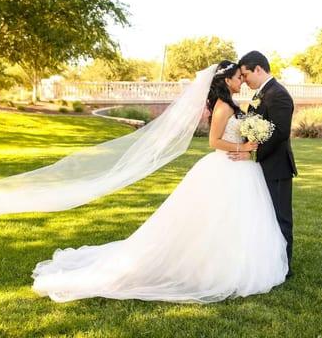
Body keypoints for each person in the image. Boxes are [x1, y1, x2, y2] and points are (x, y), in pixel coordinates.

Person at [32, 60, 289, 303]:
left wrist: (246, 145)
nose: (242, 81)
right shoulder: (223, 106)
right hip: (227, 166)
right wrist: (242, 147)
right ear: (226, 80)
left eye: (243, 76)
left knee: (238, 220)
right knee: (216, 220)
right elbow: (213, 142)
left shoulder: (232, 104)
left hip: (241, 168)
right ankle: (212, 268)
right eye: (238, 77)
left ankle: (237, 262)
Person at [237, 51, 297, 277]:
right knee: (265, 216)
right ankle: (271, 263)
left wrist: (254, 149)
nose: (244, 80)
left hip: (277, 167)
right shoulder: (261, 94)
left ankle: (285, 267)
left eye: (245, 74)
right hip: (263, 165)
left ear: (259, 69)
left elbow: (280, 132)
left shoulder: (278, 94)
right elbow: (251, 124)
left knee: (281, 218)